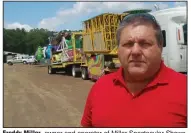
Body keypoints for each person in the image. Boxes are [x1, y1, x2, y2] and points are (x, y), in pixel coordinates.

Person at [80, 13, 187, 127]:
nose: (135, 51)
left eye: (145, 43)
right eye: (128, 44)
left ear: (160, 47)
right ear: (118, 50)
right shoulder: (100, 86)